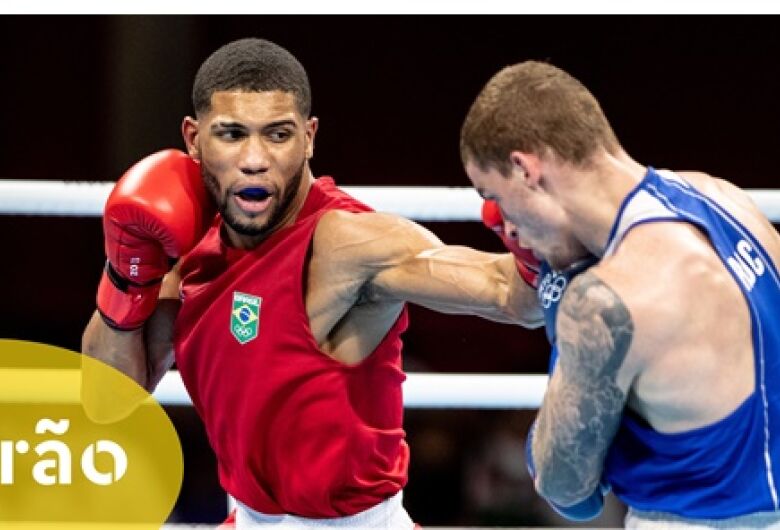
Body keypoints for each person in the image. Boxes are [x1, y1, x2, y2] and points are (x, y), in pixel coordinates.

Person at [81, 38, 544, 529]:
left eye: (277, 135)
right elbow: (108, 399)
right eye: (232, 134)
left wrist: (530, 237)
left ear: (309, 137)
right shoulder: (192, 250)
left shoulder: (350, 243)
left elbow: (515, 297)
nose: (255, 158)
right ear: (194, 139)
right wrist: (125, 272)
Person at [460, 60, 780, 528]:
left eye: (496, 195)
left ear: (524, 167)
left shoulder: (607, 300)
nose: (506, 223)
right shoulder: (721, 196)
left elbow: (568, 491)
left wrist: (561, 302)